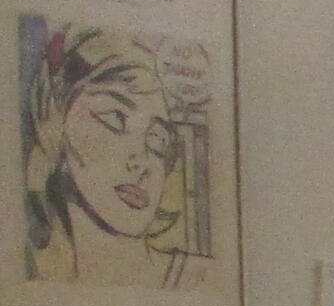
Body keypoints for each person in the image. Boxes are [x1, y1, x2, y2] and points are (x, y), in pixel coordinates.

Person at [19, 20, 209, 287]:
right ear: (55, 118)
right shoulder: (33, 272)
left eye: (158, 140)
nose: (142, 161)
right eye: (114, 118)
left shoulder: (200, 279)